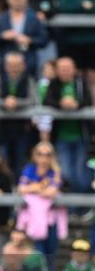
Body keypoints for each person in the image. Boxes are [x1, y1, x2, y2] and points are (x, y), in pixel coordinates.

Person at [17, 141, 67, 271]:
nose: (43, 157)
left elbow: (52, 192)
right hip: (33, 222)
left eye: (47, 154)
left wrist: (33, 188)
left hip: (50, 222)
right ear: (35, 155)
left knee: (50, 258)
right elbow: (21, 188)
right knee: (36, 257)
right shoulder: (29, 169)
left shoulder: (55, 171)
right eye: (40, 154)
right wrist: (40, 186)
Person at [44, 57, 92, 193]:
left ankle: (82, 208)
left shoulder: (81, 83)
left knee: (81, 173)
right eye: (62, 69)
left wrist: (77, 104)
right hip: (61, 137)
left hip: (81, 137)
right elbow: (47, 101)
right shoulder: (53, 84)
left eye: (68, 68)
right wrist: (61, 104)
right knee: (66, 173)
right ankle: (71, 209)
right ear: (57, 71)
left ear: (74, 69)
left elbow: (88, 101)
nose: (65, 71)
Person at [0, 51, 37, 177]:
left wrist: (17, 103)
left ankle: (18, 186)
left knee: (21, 160)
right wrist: (5, 103)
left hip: (23, 128)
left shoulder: (29, 80)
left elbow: (33, 100)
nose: (14, 68)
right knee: (3, 159)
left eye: (17, 65)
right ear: (6, 66)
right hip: (2, 128)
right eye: (11, 65)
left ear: (23, 66)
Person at [0, 0, 48, 76]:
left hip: (29, 66)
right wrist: (3, 36)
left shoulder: (34, 18)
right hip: (5, 67)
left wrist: (30, 40)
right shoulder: (2, 19)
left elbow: (43, 40)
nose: (17, 1)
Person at [58, 0, 95, 72]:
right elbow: (64, 8)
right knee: (75, 71)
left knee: (92, 71)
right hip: (72, 38)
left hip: (92, 38)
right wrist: (82, 6)